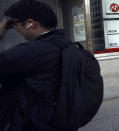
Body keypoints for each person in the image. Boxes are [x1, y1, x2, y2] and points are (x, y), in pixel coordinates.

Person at [0, 0, 75, 130]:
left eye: (14, 25)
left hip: (31, 124)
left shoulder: (31, 51)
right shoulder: (67, 45)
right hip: (60, 121)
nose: (16, 29)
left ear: (29, 23)